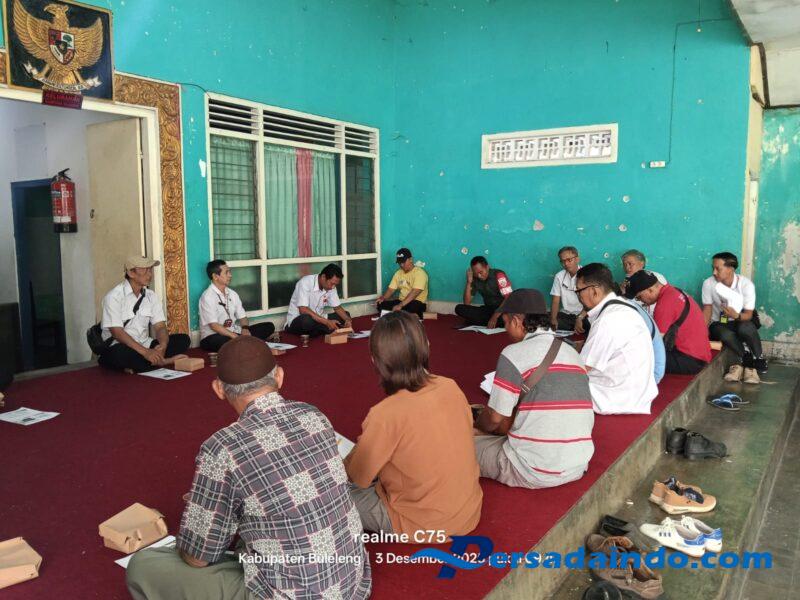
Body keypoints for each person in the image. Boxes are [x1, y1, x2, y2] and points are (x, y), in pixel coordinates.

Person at [126, 336, 371, 600]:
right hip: (352, 583)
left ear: (219, 389)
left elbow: (198, 558)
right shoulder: (314, 416)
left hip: (290, 594)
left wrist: (205, 516)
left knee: (144, 565)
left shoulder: (223, 448)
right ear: (279, 377)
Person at [344, 311, 482, 538]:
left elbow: (358, 477)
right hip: (469, 511)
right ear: (427, 346)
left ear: (375, 360)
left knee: (332, 498)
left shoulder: (385, 414)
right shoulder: (451, 386)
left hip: (425, 524)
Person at [473, 289, 594, 489]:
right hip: (578, 465)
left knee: (457, 445)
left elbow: (494, 418)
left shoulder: (513, 353)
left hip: (532, 469)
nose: (505, 329)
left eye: (505, 322)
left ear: (516, 321)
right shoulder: (572, 352)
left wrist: (477, 428)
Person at [576, 263, 658, 415]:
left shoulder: (607, 319)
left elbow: (581, 368)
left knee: (556, 380)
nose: (579, 297)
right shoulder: (623, 307)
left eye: (579, 291)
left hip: (615, 398)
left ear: (594, 291)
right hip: (636, 394)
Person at [98, 256, 190, 373]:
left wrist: (163, 345)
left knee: (183, 340)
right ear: (131, 273)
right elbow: (117, 333)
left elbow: (160, 326)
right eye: (145, 270)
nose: (150, 274)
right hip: (120, 345)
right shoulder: (114, 297)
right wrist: (146, 352)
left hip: (145, 343)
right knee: (120, 354)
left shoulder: (151, 296)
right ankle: (163, 362)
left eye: (150, 270)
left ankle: (143, 363)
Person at [626, 270, 711, 375]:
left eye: (639, 297)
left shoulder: (663, 305)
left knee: (636, 357)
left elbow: (655, 344)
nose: (640, 301)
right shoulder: (674, 291)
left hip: (691, 361)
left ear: (650, 290)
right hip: (701, 355)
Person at [701, 252, 766, 384]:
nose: (714, 272)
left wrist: (736, 315)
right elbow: (707, 309)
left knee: (746, 328)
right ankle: (746, 357)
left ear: (730, 268)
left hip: (740, 319)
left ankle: (759, 357)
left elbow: (748, 314)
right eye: (713, 268)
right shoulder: (708, 283)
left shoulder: (746, 285)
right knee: (725, 334)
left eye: (718, 268)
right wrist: (701, 332)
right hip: (719, 322)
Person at [199, 260, 275, 352]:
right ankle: (249, 343)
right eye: (226, 272)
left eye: (229, 272)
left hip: (235, 332)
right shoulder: (207, 296)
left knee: (269, 326)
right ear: (215, 276)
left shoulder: (232, 293)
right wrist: (235, 336)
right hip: (213, 336)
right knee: (224, 341)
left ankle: (243, 343)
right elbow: (214, 326)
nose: (230, 275)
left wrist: (245, 329)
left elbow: (243, 317)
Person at [285, 263, 352, 338]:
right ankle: (325, 329)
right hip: (299, 320)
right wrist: (326, 322)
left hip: (320, 319)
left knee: (346, 315)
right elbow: (303, 310)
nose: (333, 287)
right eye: (332, 284)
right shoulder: (305, 282)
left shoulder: (331, 287)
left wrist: (347, 320)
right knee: (306, 321)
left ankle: (322, 329)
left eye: (335, 285)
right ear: (323, 277)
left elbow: (337, 308)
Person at [455, 256, 513, 327]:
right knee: (459, 308)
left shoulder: (499, 275)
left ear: (487, 267)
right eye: (476, 273)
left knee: (506, 318)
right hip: (488, 309)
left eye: (481, 272)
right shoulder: (474, 278)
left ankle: (480, 321)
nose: (479, 276)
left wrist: (494, 317)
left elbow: (509, 298)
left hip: (502, 310)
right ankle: (490, 322)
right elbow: (466, 303)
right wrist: (469, 282)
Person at [376, 248, 429, 318]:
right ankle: (405, 315)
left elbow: (414, 293)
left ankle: (402, 314)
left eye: (403, 262)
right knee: (380, 304)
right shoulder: (398, 273)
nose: (401, 265)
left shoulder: (420, 273)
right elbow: (391, 289)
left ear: (411, 259)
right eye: (399, 263)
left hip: (416, 302)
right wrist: (383, 298)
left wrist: (400, 305)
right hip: (401, 301)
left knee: (413, 307)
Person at [549, 246, 589, 333]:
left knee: (590, 325)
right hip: (566, 314)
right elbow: (555, 300)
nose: (566, 264)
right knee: (545, 321)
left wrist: (580, 318)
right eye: (563, 261)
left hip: (583, 314)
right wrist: (553, 319)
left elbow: (590, 302)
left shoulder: (587, 275)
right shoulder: (559, 276)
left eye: (569, 260)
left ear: (577, 259)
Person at [620, 249, 667, 315]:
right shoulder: (626, 282)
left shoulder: (656, 277)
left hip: (655, 315)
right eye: (624, 265)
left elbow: (665, 299)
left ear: (642, 263)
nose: (627, 268)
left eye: (630, 264)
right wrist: (622, 293)